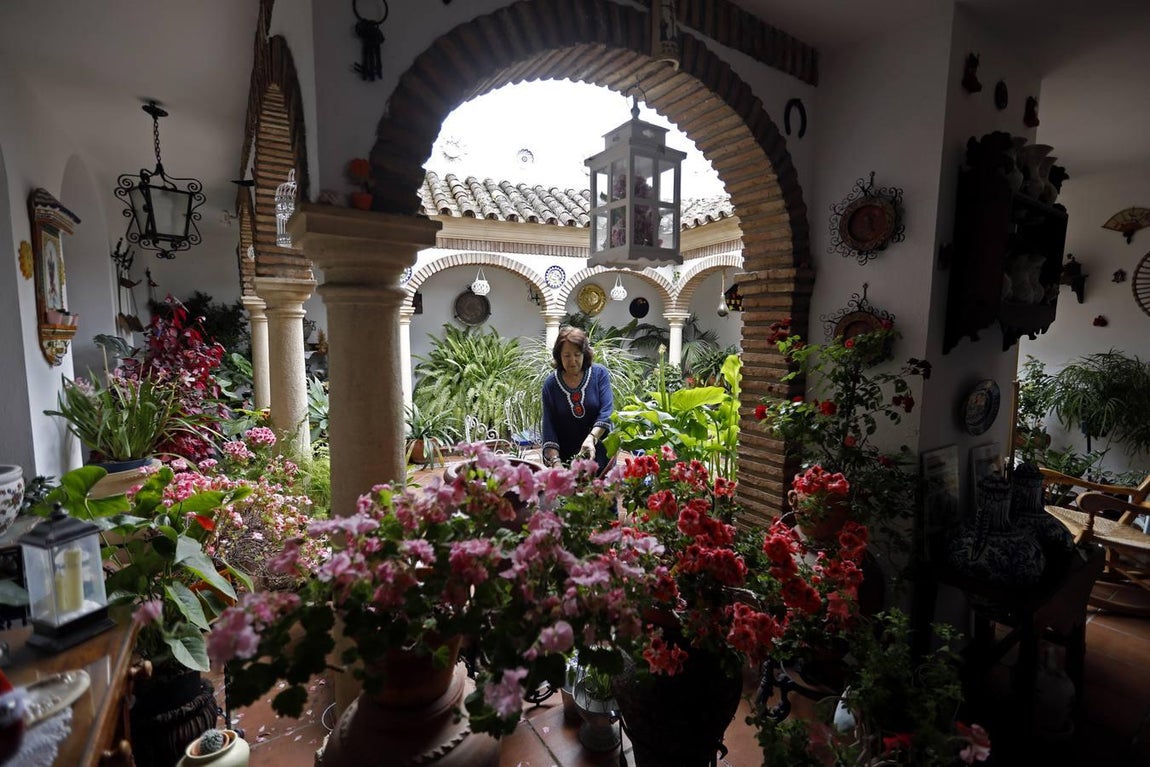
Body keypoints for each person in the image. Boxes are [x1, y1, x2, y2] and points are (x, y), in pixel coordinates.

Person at [541, 326, 615, 474]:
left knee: (604, 496)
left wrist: (591, 438)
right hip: (567, 461)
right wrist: (556, 464)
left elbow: (607, 412)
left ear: (584, 354)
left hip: (601, 455)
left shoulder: (599, 374)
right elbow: (549, 427)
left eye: (577, 354)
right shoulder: (551, 385)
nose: (572, 361)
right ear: (559, 356)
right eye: (567, 355)